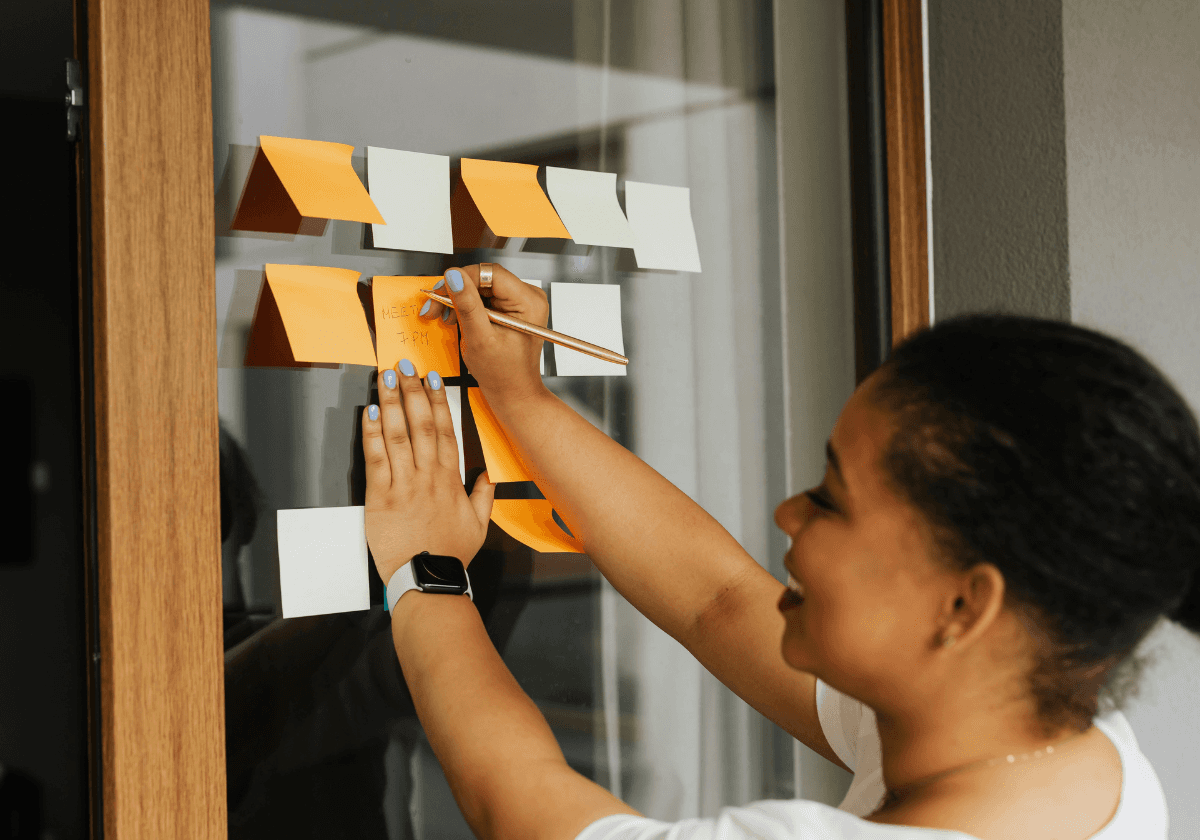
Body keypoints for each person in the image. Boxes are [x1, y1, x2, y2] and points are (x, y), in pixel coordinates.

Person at [359, 263, 1200, 840]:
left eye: (831, 500)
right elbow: (717, 600)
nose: (787, 512)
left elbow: (516, 807)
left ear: (963, 605)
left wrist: (426, 571)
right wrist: (521, 398)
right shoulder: (1067, 749)